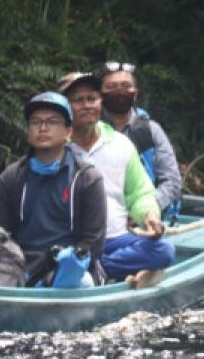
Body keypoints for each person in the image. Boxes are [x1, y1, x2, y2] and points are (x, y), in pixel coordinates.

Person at [57, 72, 175, 285]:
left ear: (100, 103)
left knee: (163, 250)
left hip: (114, 239)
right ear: (64, 106)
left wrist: (149, 215)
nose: (86, 106)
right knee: (63, 255)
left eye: (92, 99)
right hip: (68, 242)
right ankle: (89, 266)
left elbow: (140, 193)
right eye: (78, 100)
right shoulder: (54, 147)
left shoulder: (120, 144)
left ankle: (96, 268)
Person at [0, 92, 106, 285]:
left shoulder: (86, 178)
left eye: (52, 122)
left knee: (80, 280)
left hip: (69, 266)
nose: (43, 128)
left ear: (68, 132)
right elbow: (0, 233)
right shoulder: (11, 177)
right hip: (19, 264)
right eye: (35, 122)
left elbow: (93, 243)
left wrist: (63, 264)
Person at [98, 61, 183, 221]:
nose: (119, 92)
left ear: (135, 93)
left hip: (145, 215)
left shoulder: (150, 130)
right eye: (111, 87)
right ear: (100, 94)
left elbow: (171, 180)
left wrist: (147, 210)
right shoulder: (90, 130)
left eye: (125, 86)